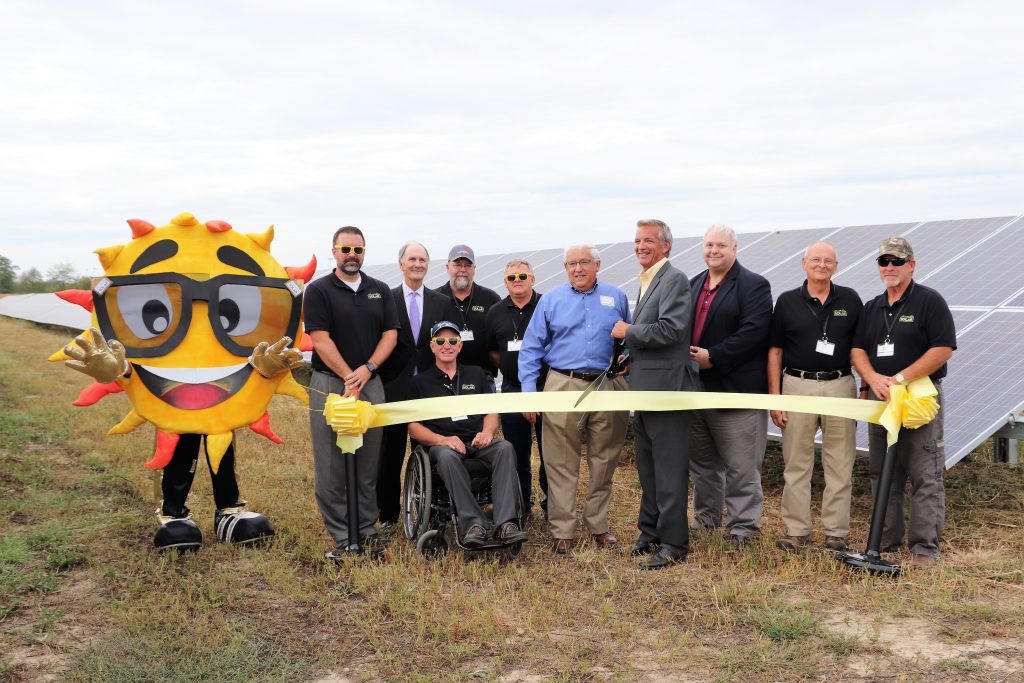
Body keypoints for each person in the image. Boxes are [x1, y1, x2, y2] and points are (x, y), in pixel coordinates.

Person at [519, 244, 630, 554]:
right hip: (562, 383)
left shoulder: (616, 297)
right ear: (564, 267)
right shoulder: (551, 300)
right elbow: (531, 348)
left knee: (605, 458)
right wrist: (530, 393)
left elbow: (629, 340)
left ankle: (598, 524)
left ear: (597, 264)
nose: (578, 268)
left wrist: (628, 369)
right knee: (559, 459)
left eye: (584, 262)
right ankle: (562, 529)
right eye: (571, 263)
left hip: (606, 384)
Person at [851, 236, 955, 567]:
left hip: (918, 401)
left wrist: (900, 379)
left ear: (912, 264)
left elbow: (942, 349)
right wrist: (873, 379)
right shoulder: (871, 308)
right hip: (882, 402)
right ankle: (886, 540)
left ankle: (924, 548)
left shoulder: (929, 302)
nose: (890, 267)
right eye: (884, 262)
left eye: (897, 261)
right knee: (883, 472)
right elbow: (857, 351)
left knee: (925, 473)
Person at [304, 226, 399, 559]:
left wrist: (368, 369)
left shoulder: (380, 290)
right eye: (346, 249)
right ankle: (344, 536)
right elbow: (320, 339)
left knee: (368, 461)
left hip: (370, 383)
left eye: (358, 250)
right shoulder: (317, 291)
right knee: (332, 465)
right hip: (331, 383)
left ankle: (367, 530)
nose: (352, 255)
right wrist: (348, 376)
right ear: (334, 251)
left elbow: (390, 335)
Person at [611, 219, 699, 570]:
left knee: (669, 470)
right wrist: (628, 359)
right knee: (647, 468)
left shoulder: (674, 279)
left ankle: (675, 543)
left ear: (666, 245)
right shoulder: (648, 281)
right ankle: (650, 533)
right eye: (637, 240)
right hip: (644, 390)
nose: (640, 246)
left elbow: (671, 330)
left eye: (648, 240)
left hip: (667, 392)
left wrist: (628, 331)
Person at [768, 242, 863, 552]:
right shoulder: (786, 302)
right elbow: (775, 352)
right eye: (816, 260)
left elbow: (859, 349)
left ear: (836, 266)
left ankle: (836, 532)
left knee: (840, 463)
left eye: (828, 261)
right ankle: (797, 531)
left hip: (840, 385)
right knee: (796, 464)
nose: (822, 265)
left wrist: (862, 388)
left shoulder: (850, 300)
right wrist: (775, 398)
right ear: (803, 263)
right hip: (796, 385)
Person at [407, 321, 529, 547]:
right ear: (432, 346)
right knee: (446, 456)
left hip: (476, 440)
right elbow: (413, 427)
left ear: (460, 346)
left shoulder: (476, 374)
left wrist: (487, 432)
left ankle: (505, 524)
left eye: (452, 341)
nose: (447, 346)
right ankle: (474, 524)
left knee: (505, 448)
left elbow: (491, 412)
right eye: (440, 341)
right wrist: (443, 440)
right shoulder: (419, 382)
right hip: (441, 445)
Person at [689, 224, 773, 547]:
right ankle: (706, 518)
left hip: (736, 391)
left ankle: (743, 528)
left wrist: (715, 357)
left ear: (734, 249)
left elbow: (754, 333)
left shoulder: (753, 285)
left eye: (721, 245)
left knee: (742, 466)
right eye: (709, 244)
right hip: (697, 390)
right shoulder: (694, 284)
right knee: (703, 464)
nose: (714, 250)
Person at [376, 241, 450, 528]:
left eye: (422, 259)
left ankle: (431, 513)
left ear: (427, 265)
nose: (417, 264)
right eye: (412, 259)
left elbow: (446, 344)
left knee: (431, 452)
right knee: (389, 456)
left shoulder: (441, 302)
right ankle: (389, 516)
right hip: (394, 388)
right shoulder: (386, 298)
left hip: (429, 390)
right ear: (401, 264)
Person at [485, 259, 548, 517]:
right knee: (517, 452)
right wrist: (515, 371)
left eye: (523, 276)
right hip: (512, 390)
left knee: (550, 453)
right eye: (512, 278)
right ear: (505, 282)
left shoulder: (547, 305)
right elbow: (492, 351)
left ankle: (551, 505)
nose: (517, 281)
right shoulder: (495, 312)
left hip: (546, 391)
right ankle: (522, 505)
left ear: (533, 278)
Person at [437, 245, 501, 390]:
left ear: (474, 268)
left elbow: (501, 338)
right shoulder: (435, 299)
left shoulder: (491, 299)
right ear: (447, 267)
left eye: (467, 265)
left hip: (483, 379)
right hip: (444, 379)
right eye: (457, 265)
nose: (463, 270)